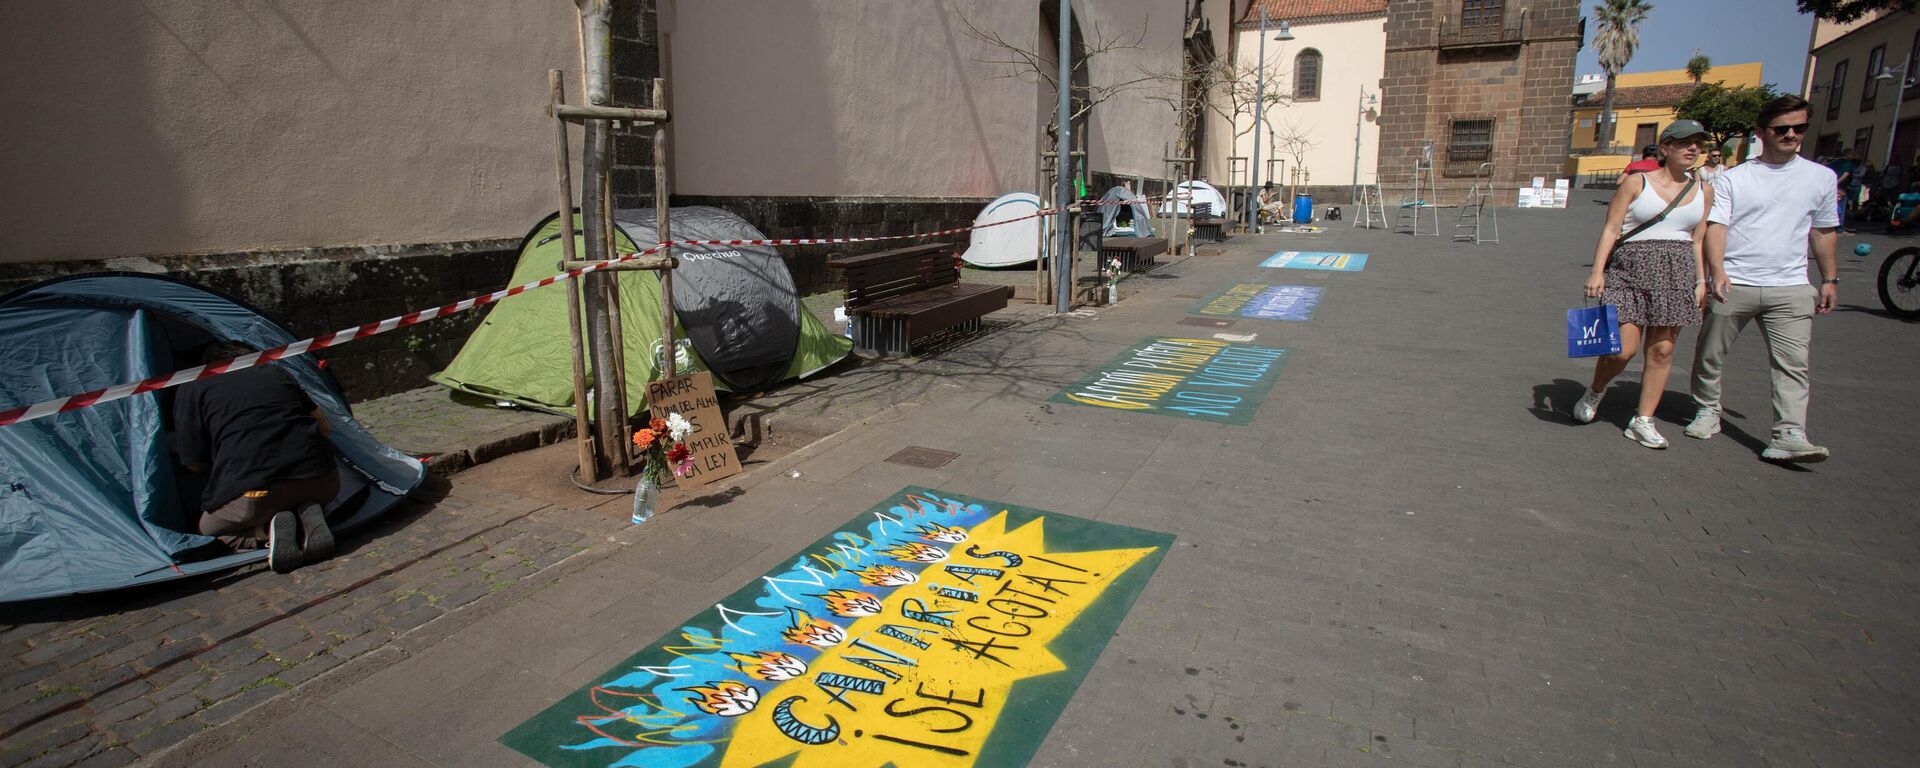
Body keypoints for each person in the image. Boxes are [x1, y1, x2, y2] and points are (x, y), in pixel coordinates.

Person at [1685, 95, 1838, 463]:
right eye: (1781, 128)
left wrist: (1829, 279)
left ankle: (1788, 433)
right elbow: (1716, 227)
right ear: (1761, 132)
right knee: (1710, 354)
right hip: (1735, 281)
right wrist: (1715, 271)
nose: (1790, 134)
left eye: (1798, 128)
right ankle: (1707, 409)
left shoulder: (1821, 178)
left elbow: (1823, 232)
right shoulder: (1734, 179)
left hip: (1791, 286)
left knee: (1793, 363)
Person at [1573, 119, 1713, 448]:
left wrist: (1700, 279)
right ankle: (1595, 390)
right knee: (1622, 350)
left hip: (1675, 274)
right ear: (1665, 148)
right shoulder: (1637, 183)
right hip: (1631, 270)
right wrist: (1597, 271)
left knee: (1662, 351)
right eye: (1684, 142)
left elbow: (1698, 240)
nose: (1692, 148)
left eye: (1697, 143)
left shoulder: (1704, 190)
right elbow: (1611, 229)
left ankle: (1643, 420)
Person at [174, 341, 340, 572]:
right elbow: (325, 428)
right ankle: (305, 516)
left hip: (255, 496)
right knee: (291, 494)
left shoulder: (192, 387)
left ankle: (265, 534)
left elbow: (193, 463)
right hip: (324, 482)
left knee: (206, 531)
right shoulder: (276, 372)